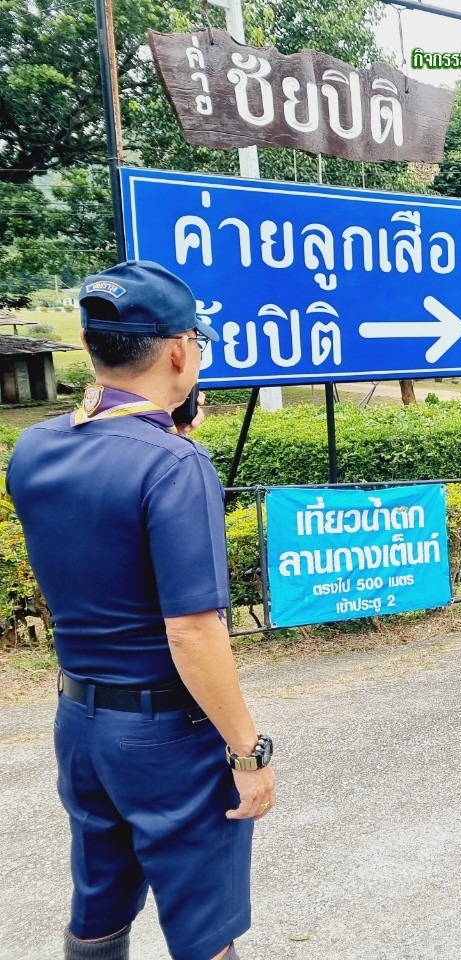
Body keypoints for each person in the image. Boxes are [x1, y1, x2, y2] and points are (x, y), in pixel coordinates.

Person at [5, 261, 275, 960]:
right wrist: (248, 748)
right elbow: (191, 629)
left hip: (81, 723)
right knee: (202, 929)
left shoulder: (33, 449)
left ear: (92, 348)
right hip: (165, 737)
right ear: (182, 350)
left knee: (97, 907)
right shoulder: (174, 466)